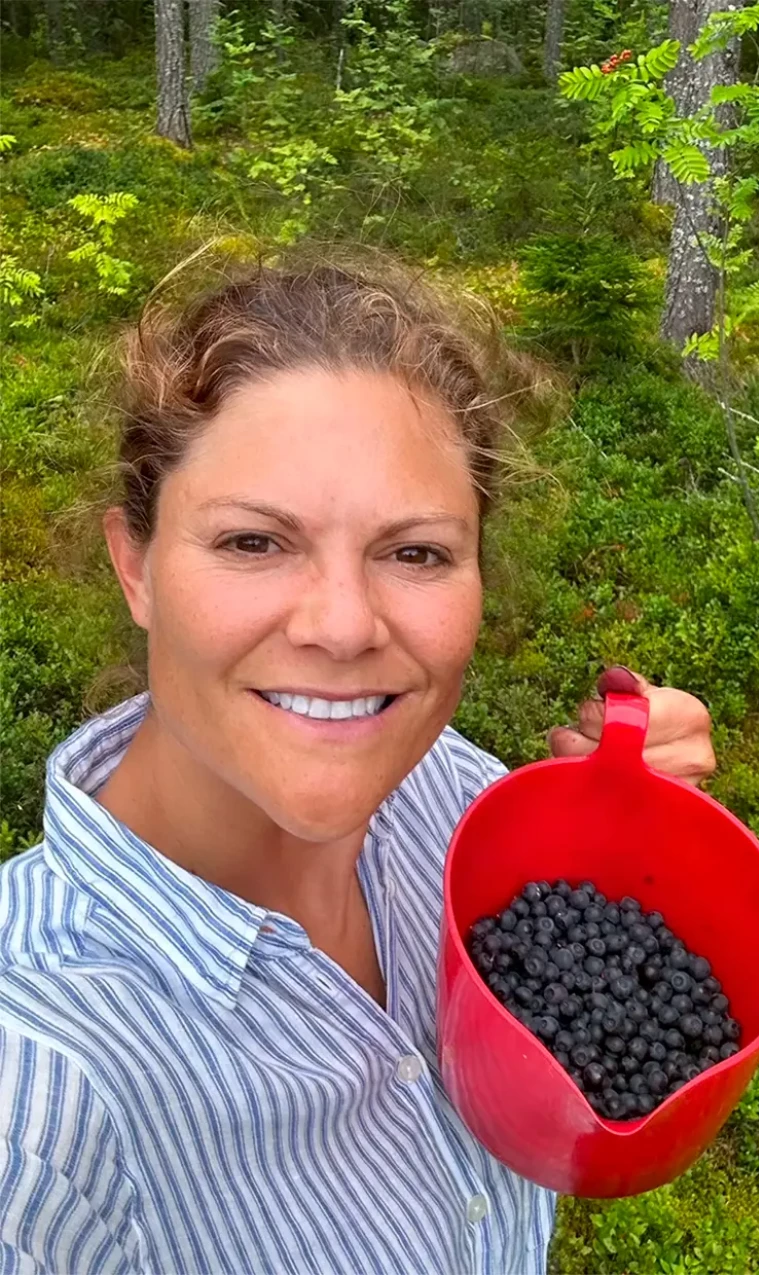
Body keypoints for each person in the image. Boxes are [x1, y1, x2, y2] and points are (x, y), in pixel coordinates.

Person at [0, 259, 715, 1275]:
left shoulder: (454, 797)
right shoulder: (39, 1104)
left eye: (414, 553)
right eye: (254, 541)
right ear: (136, 566)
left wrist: (615, 839)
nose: (341, 626)